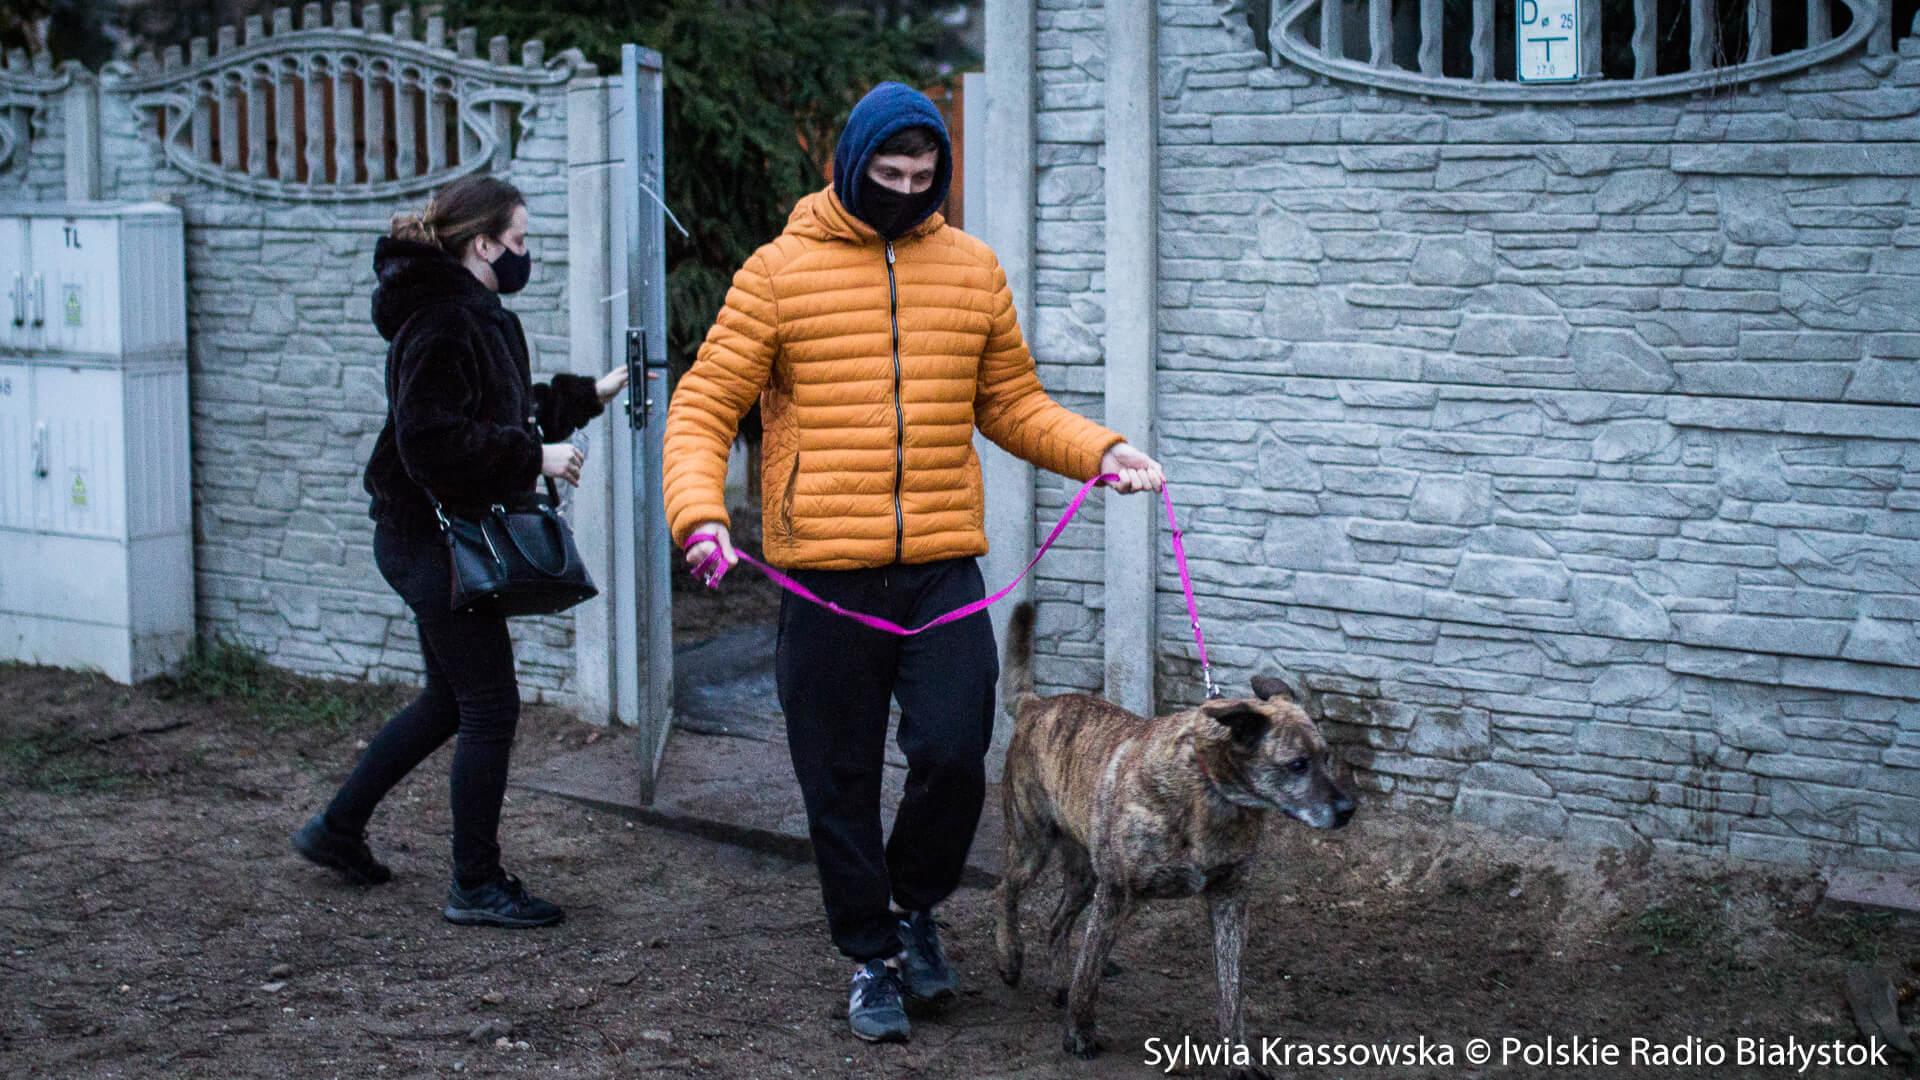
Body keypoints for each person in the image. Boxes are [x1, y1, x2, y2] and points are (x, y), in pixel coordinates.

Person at [663, 82, 1165, 1042]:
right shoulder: (777, 274)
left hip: (939, 566)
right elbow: (703, 403)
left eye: (922, 177)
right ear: (851, 168)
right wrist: (700, 514)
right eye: (886, 176)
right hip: (822, 574)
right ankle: (873, 958)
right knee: (837, 774)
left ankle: (915, 906)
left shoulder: (970, 270)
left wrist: (1099, 451)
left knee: (949, 751)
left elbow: (1012, 402)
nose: (904, 191)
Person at [291, 175, 628, 928]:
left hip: (429, 533)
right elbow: (430, 441)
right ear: (482, 244)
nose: (526, 254)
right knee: (489, 705)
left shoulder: (472, 315)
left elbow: (502, 406)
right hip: (429, 536)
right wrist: (532, 459)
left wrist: (591, 397)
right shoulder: (443, 319)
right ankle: (474, 883)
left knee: (451, 700)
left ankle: (336, 829)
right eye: (519, 241)